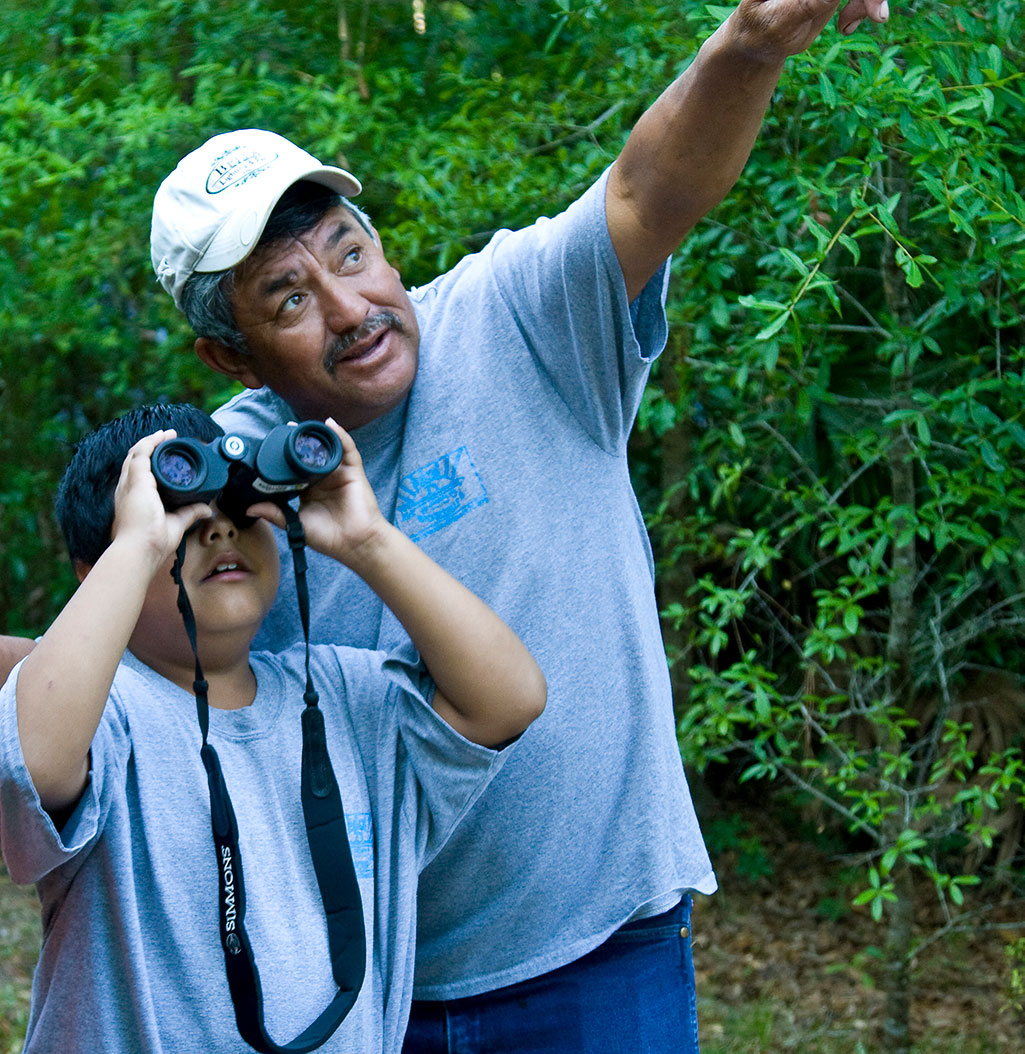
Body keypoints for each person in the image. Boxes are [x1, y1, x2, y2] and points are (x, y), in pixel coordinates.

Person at [0, 0, 892, 1049]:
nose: (348, 307)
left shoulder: (518, 316)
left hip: (601, 950)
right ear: (232, 358)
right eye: (287, 300)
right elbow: (118, 680)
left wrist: (747, 44)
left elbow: (651, 187)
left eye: (350, 252)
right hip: (366, 985)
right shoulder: (232, 472)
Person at [0, 402, 545, 1054]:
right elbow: (28, 766)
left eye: (239, 513)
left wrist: (366, 538)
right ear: (99, 569)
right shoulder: (107, 714)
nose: (219, 533)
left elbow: (510, 699)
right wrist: (139, 542)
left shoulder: (347, 696)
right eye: (182, 520)